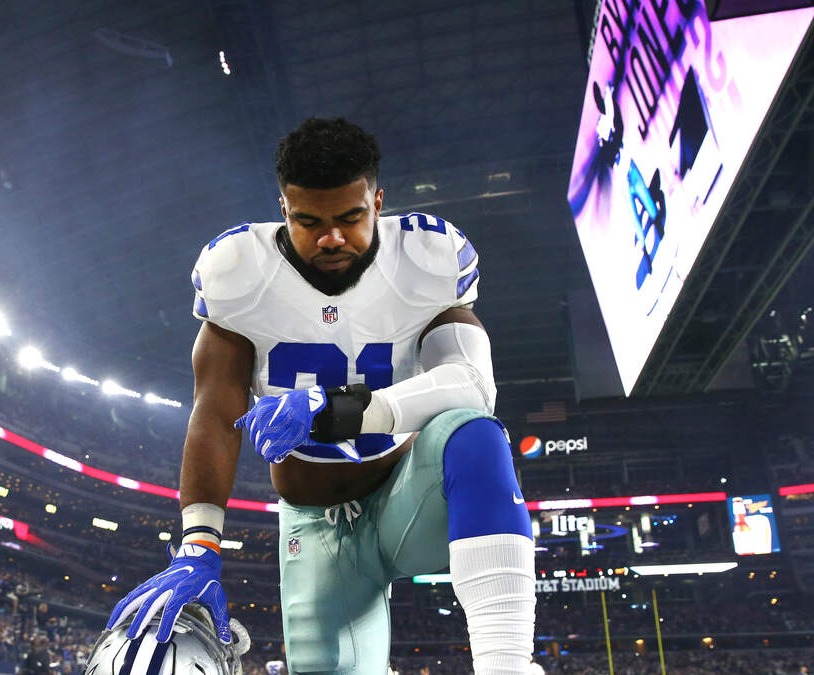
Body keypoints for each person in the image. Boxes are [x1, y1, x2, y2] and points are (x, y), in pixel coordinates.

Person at [107, 117, 536, 674]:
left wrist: (339, 409)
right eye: (309, 222)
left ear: (377, 202)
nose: (331, 238)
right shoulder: (239, 272)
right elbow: (214, 411)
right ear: (284, 208)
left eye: (350, 218)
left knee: (475, 434)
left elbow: (474, 386)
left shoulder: (425, 257)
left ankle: (508, 666)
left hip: (407, 497)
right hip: (314, 520)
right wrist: (199, 544)